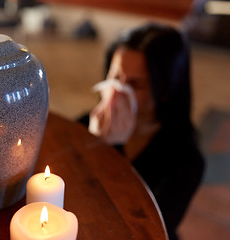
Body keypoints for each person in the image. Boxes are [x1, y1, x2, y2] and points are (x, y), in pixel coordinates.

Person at [79, 23, 205, 240]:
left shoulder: (186, 161)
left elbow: (144, 229)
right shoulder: (88, 123)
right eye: (116, 78)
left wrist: (111, 150)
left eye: (135, 85)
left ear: (166, 91)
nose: (118, 92)